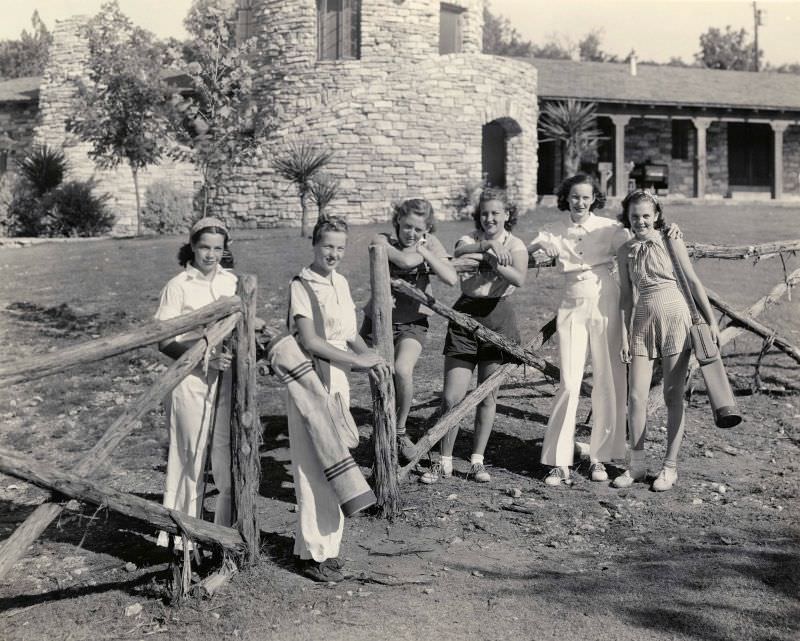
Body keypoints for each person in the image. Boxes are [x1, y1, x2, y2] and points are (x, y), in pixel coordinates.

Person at [287, 216, 391, 582]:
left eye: (340, 248)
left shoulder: (341, 282)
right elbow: (312, 341)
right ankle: (312, 555)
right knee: (313, 467)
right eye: (327, 246)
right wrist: (359, 362)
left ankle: (324, 549)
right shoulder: (301, 285)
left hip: (338, 379)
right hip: (310, 378)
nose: (333, 253)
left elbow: (348, 335)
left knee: (336, 463)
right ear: (314, 244)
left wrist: (373, 358)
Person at [420, 187, 528, 484]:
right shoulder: (469, 239)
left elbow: (519, 277)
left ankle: (477, 461)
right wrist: (491, 250)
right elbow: (458, 251)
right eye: (484, 213)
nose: (489, 218)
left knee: (487, 395)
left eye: (495, 212)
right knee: (452, 396)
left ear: (507, 214)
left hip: (499, 317)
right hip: (465, 316)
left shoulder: (516, 243)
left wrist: (495, 263)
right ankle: (443, 460)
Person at [613, 190, 718, 491]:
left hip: (676, 318)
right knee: (636, 397)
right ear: (628, 218)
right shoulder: (625, 251)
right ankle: (636, 465)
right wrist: (623, 334)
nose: (641, 221)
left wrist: (710, 321)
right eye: (635, 216)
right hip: (643, 321)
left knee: (673, 395)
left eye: (646, 215)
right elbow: (625, 298)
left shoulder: (672, 239)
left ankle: (670, 467)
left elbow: (693, 281)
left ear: (657, 215)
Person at [154, 217, 237, 549]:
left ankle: (222, 537)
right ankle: (181, 541)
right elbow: (164, 341)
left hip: (228, 380)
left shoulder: (232, 282)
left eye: (218, 248)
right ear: (192, 246)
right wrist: (204, 356)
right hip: (190, 381)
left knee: (225, 457)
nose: (211, 255)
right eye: (205, 247)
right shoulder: (179, 285)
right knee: (189, 457)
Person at [360, 198, 457, 462]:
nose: (411, 233)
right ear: (397, 223)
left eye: (418, 229)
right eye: (406, 227)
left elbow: (451, 278)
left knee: (402, 370)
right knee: (381, 380)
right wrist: (423, 253)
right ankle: (383, 433)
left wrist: (426, 252)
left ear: (427, 229)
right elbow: (403, 262)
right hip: (378, 321)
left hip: (413, 322)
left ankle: (400, 431)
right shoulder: (381, 240)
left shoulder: (431, 244)